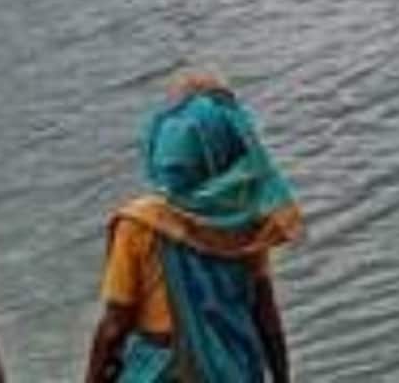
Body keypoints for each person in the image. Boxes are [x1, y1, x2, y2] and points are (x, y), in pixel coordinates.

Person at [85, 74, 304, 383]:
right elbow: (265, 315)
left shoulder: (140, 223)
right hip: (235, 369)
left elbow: (114, 326)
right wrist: (282, 377)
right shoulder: (244, 219)